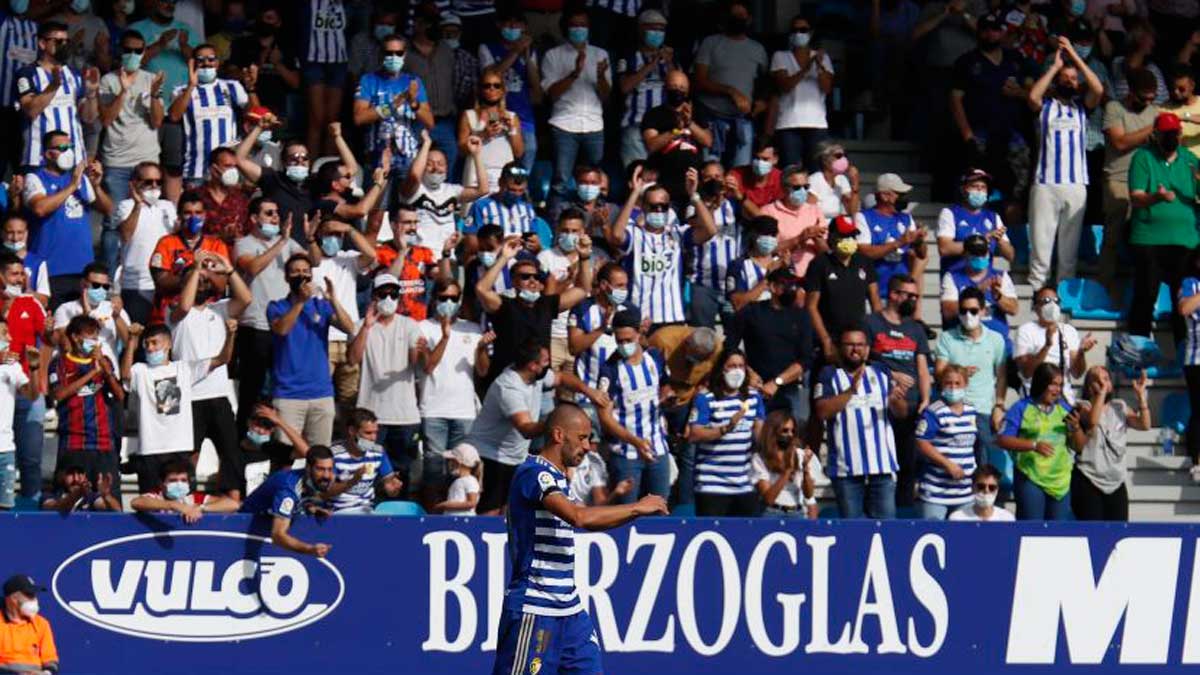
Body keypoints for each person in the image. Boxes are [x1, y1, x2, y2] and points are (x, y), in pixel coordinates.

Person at [491, 402, 667, 675]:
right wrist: (636, 507)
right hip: (536, 608)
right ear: (559, 435)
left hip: (570, 610)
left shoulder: (560, 479)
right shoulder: (534, 473)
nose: (587, 446)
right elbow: (578, 517)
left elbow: (589, 523)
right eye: (582, 437)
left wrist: (637, 513)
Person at [467, 341, 609, 515]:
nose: (548, 365)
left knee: (511, 509)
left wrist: (589, 391)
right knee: (490, 510)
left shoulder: (536, 376)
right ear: (533, 366)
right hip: (490, 454)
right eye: (545, 361)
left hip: (515, 455)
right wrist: (560, 423)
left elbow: (562, 377)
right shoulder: (509, 387)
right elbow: (526, 428)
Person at [120, 318, 234, 493]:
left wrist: (231, 334)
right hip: (150, 449)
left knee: (182, 497)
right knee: (151, 499)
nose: (150, 348)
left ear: (168, 344)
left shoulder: (184, 369)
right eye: (146, 344)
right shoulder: (140, 370)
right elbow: (125, 375)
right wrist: (131, 340)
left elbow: (222, 359)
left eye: (154, 343)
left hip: (179, 448)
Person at [1025, 37, 1104, 289]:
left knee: (1069, 250)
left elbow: (1099, 89)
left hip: (1076, 183)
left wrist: (1075, 58)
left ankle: (1063, 294)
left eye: (1074, 79)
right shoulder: (1045, 107)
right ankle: (1038, 292)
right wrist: (1055, 67)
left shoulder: (1082, 108)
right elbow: (1033, 95)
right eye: (1066, 77)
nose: (1070, 81)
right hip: (1046, 183)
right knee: (1041, 243)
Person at [950, 12, 1037, 228]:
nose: (991, 34)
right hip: (981, 136)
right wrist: (967, 135)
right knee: (976, 191)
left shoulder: (1015, 59)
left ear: (1002, 32)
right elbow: (955, 100)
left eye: (996, 29)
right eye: (986, 29)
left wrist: (1019, 93)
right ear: (979, 32)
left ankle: (1014, 243)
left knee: (1017, 192)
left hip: (1014, 137)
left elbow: (1034, 95)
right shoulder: (966, 62)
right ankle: (973, 236)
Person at [815, 326, 912, 518]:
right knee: (853, 532)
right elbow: (821, 412)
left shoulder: (881, 372)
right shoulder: (828, 375)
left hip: (881, 467)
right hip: (847, 470)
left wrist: (895, 401)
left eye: (860, 345)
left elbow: (902, 413)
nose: (855, 349)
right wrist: (850, 391)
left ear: (867, 349)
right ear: (839, 348)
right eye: (850, 344)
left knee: (885, 530)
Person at [475, 231, 592, 387]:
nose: (532, 281)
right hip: (508, 383)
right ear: (514, 281)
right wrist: (504, 257)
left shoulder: (546, 304)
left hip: (539, 384)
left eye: (536, 277)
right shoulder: (504, 305)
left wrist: (584, 258)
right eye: (525, 277)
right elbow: (482, 289)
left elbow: (582, 289)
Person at [608, 166, 716, 329]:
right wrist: (635, 193)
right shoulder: (635, 235)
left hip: (672, 317)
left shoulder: (678, 234)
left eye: (663, 206)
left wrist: (694, 196)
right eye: (653, 206)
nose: (658, 210)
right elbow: (616, 235)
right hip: (640, 319)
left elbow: (710, 230)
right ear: (643, 207)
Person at [268, 254, 356, 447]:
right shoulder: (277, 306)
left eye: (306, 272)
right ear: (286, 277)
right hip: (288, 395)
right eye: (296, 272)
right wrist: (300, 302)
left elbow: (349, 328)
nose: (302, 276)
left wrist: (333, 300)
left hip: (321, 393)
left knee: (320, 455)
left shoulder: (321, 306)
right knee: (284, 456)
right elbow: (282, 329)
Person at [347, 274, 423, 495]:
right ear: (373, 296)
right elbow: (353, 359)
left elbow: (415, 362)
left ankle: (400, 516)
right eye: (383, 294)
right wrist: (367, 327)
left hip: (404, 415)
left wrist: (421, 350)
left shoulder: (409, 325)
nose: (389, 298)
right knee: (368, 469)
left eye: (394, 294)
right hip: (371, 416)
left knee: (402, 472)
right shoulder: (361, 325)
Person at [233, 197, 303, 433]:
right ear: (253, 218)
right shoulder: (244, 243)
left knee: (282, 386)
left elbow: (310, 261)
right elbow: (252, 267)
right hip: (255, 326)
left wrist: (310, 238)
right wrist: (282, 241)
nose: (276, 217)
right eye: (269, 213)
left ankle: (277, 436)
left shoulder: (289, 242)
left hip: (281, 325)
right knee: (252, 388)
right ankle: (244, 435)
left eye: (277, 213)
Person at [98, 29, 165, 273]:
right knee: (113, 223)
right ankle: (106, 278)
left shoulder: (150, 79)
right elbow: (105, 119)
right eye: (128, 50)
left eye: (138, 50)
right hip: (116, 162)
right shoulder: (107, 81)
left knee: (147, 220)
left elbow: (157, 122)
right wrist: (124, 90)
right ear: (120, 51)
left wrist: (156, 94)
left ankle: (141, 274)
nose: (133, 54)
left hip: (147, 162)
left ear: (144, 52)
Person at [1128, 112, 1198, 340]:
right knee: (1146, 295)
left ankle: (1183, 350)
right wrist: (1156, 198)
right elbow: (1136, 196)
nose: (1171, 137)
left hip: (1186, 240)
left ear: (1180, 134)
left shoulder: (1190, 161)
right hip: (1149, 238)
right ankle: (1138, 350)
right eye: (1166, 134)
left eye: (1174, 133)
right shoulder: (1142, 157)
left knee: (1185, 298)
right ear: (1156, 134)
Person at [22, 130, 113, 307]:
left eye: (71, 147)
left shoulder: (81, 179)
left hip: (83, 270)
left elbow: (107, 209)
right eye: (63, 148)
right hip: (51, 269)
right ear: (48, 154)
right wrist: (72, 186)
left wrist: (96, 185)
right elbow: (40, 208)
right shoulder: (35, 178)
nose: (68, 151)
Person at [864, 274, 932, 506]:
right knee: (877, 464)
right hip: (879, 405)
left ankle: (903, 511)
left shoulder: (916, 329)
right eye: (909, 295)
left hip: (911, 406)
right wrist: (891, 375)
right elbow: (860, 359)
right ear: (893, 295)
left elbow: (922, 369)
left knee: (908, 463)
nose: (913, 300)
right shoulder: (871, 323)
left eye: (916, 296)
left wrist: (925, 399)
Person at [352, 33, 435, 208]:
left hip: (408, 158)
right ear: (381, 54)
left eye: (398, 53)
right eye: (389, 53)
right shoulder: (369, 80)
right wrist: (393, 105)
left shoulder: (413, 81)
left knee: (407, 214)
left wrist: (413, 102)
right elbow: (359, 117)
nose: (393, 57)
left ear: (405, 55)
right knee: (375, 217)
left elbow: (429, 121)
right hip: (377, 156)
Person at [596, 309, 670, 503]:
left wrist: (664, 399)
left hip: (657, 447)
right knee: (625, 511)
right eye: (619, 341)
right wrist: (635, 441)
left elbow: (665, 385)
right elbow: (604, 417)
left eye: (628, 340)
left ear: (638, 334)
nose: (624, 345)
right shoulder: (609, 370)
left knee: (659, 507)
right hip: (625, 452)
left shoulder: (655, 358)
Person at [935, 286, 1008, 476]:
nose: (968, 315)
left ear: (983, 311)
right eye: (963, 310)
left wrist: (999, 406)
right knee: (953, 464)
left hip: (982, 411)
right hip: (952, 410)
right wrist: (959, 373)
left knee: (982, 466)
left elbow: (1001, 376)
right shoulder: (946, 338)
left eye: (974, 311)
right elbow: (939, 372)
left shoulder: (996, 339)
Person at [541, 7, 610, 210]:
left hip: (594, 125)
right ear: (566, 28)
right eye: (575, 25)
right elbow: (551, 94)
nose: (579, 29)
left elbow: (606, 97)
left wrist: (599, 77)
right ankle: (556, 222)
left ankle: (594, 222)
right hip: (564, 124)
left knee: (594, 181)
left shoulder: (600, 54)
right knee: (561, 181)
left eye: (583, 25)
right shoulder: (553, 55)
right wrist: (575, 73)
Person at [726, 267, 814, 423]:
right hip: (755, 388)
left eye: (795, 285)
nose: (792, 289)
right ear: (773, 287)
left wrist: (777, 382)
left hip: (788, 389)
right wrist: (748, 374)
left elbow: (806, 358)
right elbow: (730, 346)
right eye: (786, 285)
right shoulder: (751, 312)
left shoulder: (801, 316)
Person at [1099, 68, 1160, 287]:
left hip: (1146, 183)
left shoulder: (1156, 112)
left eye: (1152, 99)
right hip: (1119, 179)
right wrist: (1153, 128)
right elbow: (1120, 142)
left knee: (1145, 238)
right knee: (1113, 236)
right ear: (1131, 93)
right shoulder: (1114, 108)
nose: (1148, 103)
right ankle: (1105, 284)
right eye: (1144, 98)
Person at [49, 314, 124, 491]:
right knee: (71, 498)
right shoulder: (59, 363)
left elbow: (120, 395)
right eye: (90, 336)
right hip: (73, 442)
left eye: (96, 336)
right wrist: (91, 374)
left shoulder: (104, 361)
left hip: (104, 442)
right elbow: (59, 395)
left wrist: (105, 370)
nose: (94, 341)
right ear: (75, 337)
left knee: (108, 501)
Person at [688, 348, 766, 516]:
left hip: (745, 483)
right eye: (731, 366)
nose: (737, 371)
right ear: (721, 369)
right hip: (712, 484)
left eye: (741, 366)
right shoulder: (705, 399)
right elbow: (694, 434)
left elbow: (760, 436)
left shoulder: (753, 398)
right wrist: (726, 428)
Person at [167, 44, 257, 188]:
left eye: (211, 59)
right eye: (201, 60)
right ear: (193, 63)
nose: (206, 63)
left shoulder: (232, 86)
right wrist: (191, 85)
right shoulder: (181, 91)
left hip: (229, 171)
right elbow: (174, 116)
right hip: (196, 171)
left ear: (217, 63)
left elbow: (253, 116)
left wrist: (251, 88)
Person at [1067, 366, 1149, 521]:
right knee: (1093, 530)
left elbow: (1144, 425)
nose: (1102, 383)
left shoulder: (1119, 406)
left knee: (1119, 530)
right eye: (1096, 380)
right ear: (1089, 386)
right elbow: (1092, 421)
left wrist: (1141, 397)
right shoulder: (1082, 406)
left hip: (1116, 480)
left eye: (1105, 379)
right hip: (1089, 478)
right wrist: (1101, 393)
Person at [16, 21, 98, 172]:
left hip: (74, 158)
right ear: (42, 43)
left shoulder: (74, 74)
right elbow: (30, 111)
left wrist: (92, 94)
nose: (64, 45)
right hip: (39, 159)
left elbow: (89, 118)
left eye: (67, 41)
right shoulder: (28, 74)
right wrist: (54, 85)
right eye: (59, 41)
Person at [693, 0, 766, 168]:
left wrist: (763, 101)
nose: (738, 19)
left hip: (742, 121)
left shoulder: (758, 49)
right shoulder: (711, 43)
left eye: (741, 16)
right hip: (711, 119)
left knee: (740, 173)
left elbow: (766, 82)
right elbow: (699, 80)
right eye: (734, 16)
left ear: (749, 19)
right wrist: (730, 91)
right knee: (711, 171)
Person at [997, 363, 1074, 520]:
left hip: (1060, 481)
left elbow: (1078, 445)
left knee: (1058, 535)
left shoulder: (1065, 408)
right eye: (1053, 384)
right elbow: (1003, 439)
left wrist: (1077, 428)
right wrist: (1033, 446)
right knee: (1032, 530)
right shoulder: (1021, 407)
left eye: (1060, 385)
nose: (1057, 390)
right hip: (1030, 478)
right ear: (1041, 383)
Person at [0, 254, 46, 506]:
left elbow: (49, 337)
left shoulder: (31, 302)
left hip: (23, 382)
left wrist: (38, 369)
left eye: (21, 274)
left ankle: (32, 510)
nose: (19, 279)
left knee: (31, 458)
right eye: (13, 274)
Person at [806, 216, 881, 363]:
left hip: (859, 337)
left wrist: (877, 334)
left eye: (852, 236)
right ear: (832, 237)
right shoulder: (820, 264)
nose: (849, 240)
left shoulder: (864, 261)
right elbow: (811, 306)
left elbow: (875, 301)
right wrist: (826, 340)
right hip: (831, 337)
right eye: (844, 236)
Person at [239, 444, 335, 557]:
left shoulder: (313, 478)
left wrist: (311, 508)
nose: (326, 475)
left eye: (329, 469)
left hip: (269, 522)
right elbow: (278, 535)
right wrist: (309, 549)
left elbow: (300, 499)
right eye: (321, 469)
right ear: (308, 468)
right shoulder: (287, 489)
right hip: (245, 526)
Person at [477, 9, 541, 171]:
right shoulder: (487, 48)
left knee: (529, 151)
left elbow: (536, 84)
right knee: (500, 156)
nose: (512, 27)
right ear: (499, 25)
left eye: (517, 23)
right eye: (508, 23)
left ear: (524, 27)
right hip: (496, 113)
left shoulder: (530, 51)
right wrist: (515, 51)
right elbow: (492, 75)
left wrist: (526, 55)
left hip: (524, 114)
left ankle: (522, 191)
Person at [640, 70, 713, 209]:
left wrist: (689, 123)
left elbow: (708, 141)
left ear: (687, 91)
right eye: (673, 87)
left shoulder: (698, 112)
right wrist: (676, 130)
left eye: (682, 88)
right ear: (665, 88)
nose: (677, 91)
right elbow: (652, 145)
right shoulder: (654, 114)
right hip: (665, 184)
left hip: (693, 184)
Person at [854, 173, 927, 307]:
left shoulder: (906, 218)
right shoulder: (864, 217)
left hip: (901, 294)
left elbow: (921, 254)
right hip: (873, 293)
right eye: (899, 194)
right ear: (884, 196)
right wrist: (898, 243)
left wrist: (919, 241)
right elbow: (864, 252)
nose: (904, 198)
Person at [915, 365, 978, 519]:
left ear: (966, 385)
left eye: (957, 383)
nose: (953, 387)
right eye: (948, 383)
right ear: (941, 385)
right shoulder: (934, 412)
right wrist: (947, 464)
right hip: (936, 492)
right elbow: (921, 442)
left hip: (965, 492)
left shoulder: (971, 410)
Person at [772, 15, 834, 169]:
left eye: (803, 30)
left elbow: (826, 88)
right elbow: (784, 86)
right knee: (790, 172)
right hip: (788, 124)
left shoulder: (822, 57)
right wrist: (806, 68)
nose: (799, 33)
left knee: (816, 172)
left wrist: (818, 66)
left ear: (811, 33)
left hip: (817, 124)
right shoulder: (780, 56)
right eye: (795, 30)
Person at [116, 161, 174, 325]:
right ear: (134, 183)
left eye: (158, 181)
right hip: (136, 285)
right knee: (137, 335)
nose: (154, 186)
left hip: (165, 284)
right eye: (148, 182)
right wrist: (137, 205)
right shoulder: (125, 206)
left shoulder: (168, 207)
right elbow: (126, 235)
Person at [1014, 284, 1097, 399]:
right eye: (1046, 301)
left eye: (1056, 301)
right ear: (1036, 307)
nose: (1052, 305)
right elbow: (1026, 372)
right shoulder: (1025, 330)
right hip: (1034, 399)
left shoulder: (1069, 331)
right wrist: (1046, 346)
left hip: (1063, 399)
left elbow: (1077, 373)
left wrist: (1081, 352)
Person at [616, 9, 674, 167]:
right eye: (652, 29)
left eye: (661, 30)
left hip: (665, 128)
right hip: (636, 124)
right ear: (641, 29)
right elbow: (624, 87)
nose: (657, 33)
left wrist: (668, 63)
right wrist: (651, 65)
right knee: (638, 176)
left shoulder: (670, 57)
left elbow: (679, 86)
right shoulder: (628, 57)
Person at [939, 233, 1018, 342]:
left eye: (983, 253)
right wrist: (977, 292)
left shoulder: (1001, 276)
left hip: (997, 341)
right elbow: (948, 312)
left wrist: (998, 296)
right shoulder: (952, 277)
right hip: (964, 341)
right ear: (965, 254)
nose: (980, 257)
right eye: (975, 254)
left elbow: (1014, 309)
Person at [324, 408, 403, 514]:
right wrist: (352, 481)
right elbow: (326, 492)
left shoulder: (378, 452)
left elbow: (390, 488)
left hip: (367, 511)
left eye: (375, 433)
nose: (373, 438)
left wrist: (393, 489)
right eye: (368, 433)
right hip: (338, 512)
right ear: (352, 431)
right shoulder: (333, 454)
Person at [936, 168, 1014, 275]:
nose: (979, 190)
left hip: (985, 279)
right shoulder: (950, 213)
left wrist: (1000, 241)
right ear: (963, 189)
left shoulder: (993, 217)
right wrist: (980, 241)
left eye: (983, 187)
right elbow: (944, 248)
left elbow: (1010, 255)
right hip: (956, 277)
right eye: (974, 186)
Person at [50, 262, 128, 366]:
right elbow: (66, 345)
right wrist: (86, 314)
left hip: (108, 373)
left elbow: (130, 344)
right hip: (77, 372)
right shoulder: (65, 309)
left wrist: (117, 317)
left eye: (105, 286)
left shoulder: (114, 308)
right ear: (83, 284)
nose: (101, 290)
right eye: (96, 285)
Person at [458, 66, 523, 190]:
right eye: (487, 86)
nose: (492, 89)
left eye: (496, 85)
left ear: (502, 90)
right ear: (480, 90)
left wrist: (512, 130)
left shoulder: (512, 117)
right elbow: (461, 150)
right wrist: (483, 135)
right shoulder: (469, 115)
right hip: (476, 171)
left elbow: (519, 152)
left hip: (503, 172)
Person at [299, 0, 348, 158]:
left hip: (339, 62)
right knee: (316, 120)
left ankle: (329, 170)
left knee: (332, 122)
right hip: (313, 61)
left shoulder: (347, 5)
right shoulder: (307, 4)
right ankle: (311, 170)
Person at [751, 410, 820, 518]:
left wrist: (805, 469)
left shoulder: (800, 454)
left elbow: (808, 494)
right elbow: (768, 499)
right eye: (785, 431)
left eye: (792, 431)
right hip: (772, 512)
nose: (790, 434)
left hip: (797, 512)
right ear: (773, 431)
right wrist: (787, 471)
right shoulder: (760, 459)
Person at [0, 315, 38, 510]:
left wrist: (33, 369)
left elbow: (31, 395)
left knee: (5, 511)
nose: (9, 339)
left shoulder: (12, 366)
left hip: (5, 449)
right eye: (4, 333)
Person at [763, 165, 827, 279]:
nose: (803, 191)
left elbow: (826, 252)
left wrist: (817, 238)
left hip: (813, 277)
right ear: (783, 188)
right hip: (782, 277)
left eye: (806, 186)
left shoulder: (815, 210)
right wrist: (800, 238)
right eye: (797, 187)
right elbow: (767, 249)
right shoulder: (768, 211)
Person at [129, 458, 240, 522]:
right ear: (161, 483)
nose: (179, 484)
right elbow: (136, 502)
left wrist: (201, 508)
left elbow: (233, 504)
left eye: (183, 480)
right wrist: (173, 505)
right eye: (173, 480)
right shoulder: (157, 496)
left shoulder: (193, 498)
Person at [0, 2, 38, 179]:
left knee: (21, 167)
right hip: (2, 106)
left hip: (26, 110)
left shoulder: (37, 28)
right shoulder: (3, 22)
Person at [0, 574, 58, 674]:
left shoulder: (42, 624)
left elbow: (50, 659)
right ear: (14, 598)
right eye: (30, 595)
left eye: (35, 595)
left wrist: (47, 673)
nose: (35, 600)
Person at [41, 455, 120, 512]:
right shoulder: (49, 495)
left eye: (79, 473)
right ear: (61, 476)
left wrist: (106, 496)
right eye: (70, 473)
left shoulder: (91, 497)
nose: (76, 479)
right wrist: (78, 494)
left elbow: (117, 511)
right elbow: (56, 508)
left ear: (85, 476)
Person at [730, 138, 784, 218]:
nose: (759, 163)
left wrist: (742, 198)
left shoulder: (781, 179)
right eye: (756, 158)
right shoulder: (737, 175)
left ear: (775, 159)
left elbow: (771, 219)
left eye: (765, 159)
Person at [948, 463, 1015, 521]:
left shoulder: (1007, 519)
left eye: (992, 487)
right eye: (981, 486)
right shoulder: (957, 519)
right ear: (973, 488)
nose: (986, 490)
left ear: (997, 490)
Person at [810, 142, 860, 219]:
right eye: (838, 156)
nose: (843, 159)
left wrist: (855, 184)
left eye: (845, 156)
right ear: (825, 160)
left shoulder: (842, 179)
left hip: (835, 225)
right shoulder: (814, 180)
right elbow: (809, 212)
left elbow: (852, 211)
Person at [432, 441, 481, 515]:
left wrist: (445, 505)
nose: (449, 463)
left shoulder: (470, 481)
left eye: (451, 460)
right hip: (454, 522)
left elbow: (472, 503)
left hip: (463, 523)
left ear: (458, 462)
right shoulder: (459, 481)